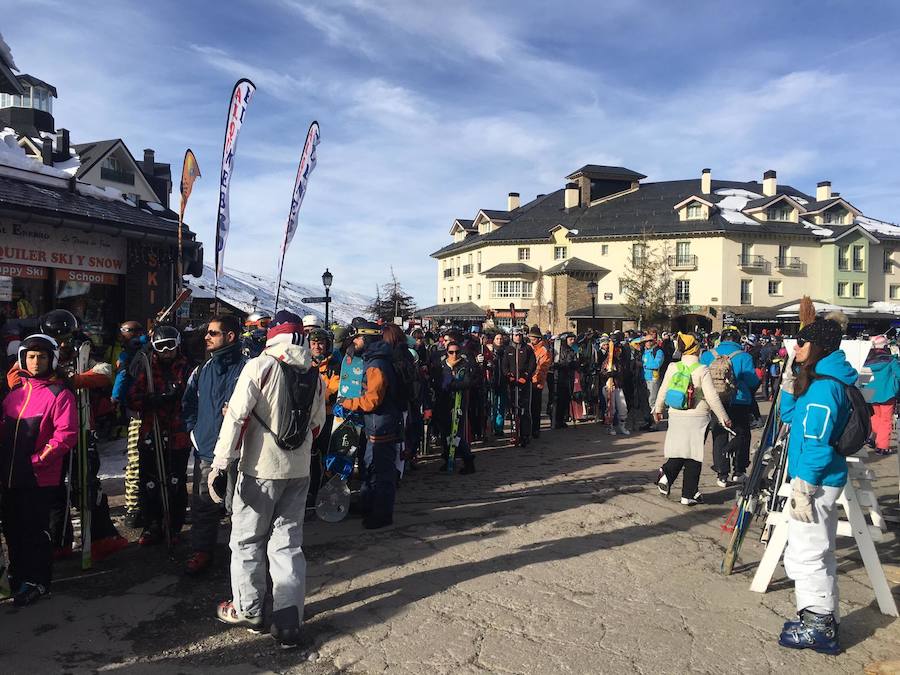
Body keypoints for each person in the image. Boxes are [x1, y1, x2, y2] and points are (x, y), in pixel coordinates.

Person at [210, 311, 326, 647]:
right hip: (298, 470)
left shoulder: (260, 366)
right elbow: (317, 424)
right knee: (287, 544)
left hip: (260, 469)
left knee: (247, 541)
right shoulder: (313, 374)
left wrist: (220, 464)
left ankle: (250, 609)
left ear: (272, 335)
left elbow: (236, 418)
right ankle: (289, 617)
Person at [777, 314, 856, 654]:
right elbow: (789, 417)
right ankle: (821, 616)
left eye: (802, 342)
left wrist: (804, 487)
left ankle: (818, 626)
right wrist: (789, 385)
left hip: (816, 482)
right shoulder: (822, 379)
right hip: (819, 478)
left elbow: (817, 440)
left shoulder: (825, 387)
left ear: (818, 347)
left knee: (806, 554)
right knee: (815, 551)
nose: (796, 348)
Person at [0, 334, 77, 606]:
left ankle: (38, 581)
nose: (35, 362)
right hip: (9, 476)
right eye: (31, 357)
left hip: (38, 477)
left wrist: (37, 461)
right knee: (13, 529)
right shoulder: (15, 395)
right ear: (22, 359)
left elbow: (66, 435)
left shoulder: (59, 394)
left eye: (42, 357)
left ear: (51, 360)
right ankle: (19, 575)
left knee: (34, 530)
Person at [181, 315, 247, 575]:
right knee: (204, 503)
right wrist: (194, 430)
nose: (206, 337)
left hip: (239, 449)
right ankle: (201, 550)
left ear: (230, 336)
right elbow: (188, 404)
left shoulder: (247, 368)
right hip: (207, 448)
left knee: (238, 504)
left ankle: (241, 553)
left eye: (213, 333)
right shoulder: (201, 370)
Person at [128, 325, 192, 546]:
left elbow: (193, 397)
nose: (166, 351)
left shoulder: (186, 368)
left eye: (170, 347)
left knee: (175, 481)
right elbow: (132, 397)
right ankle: (151, 525)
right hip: (151, 431)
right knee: (150, 482)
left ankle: (173, 526)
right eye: (161, 347)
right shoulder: (146, 367)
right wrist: (149, 400)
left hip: (177, 435)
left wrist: (178, 396)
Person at [340, 320, 405, 526]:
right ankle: (369, 502)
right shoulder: (375, 359)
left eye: (358, 338)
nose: (355, 341)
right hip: (376, 424)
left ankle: (382, 513)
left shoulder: (376, 364)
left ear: (366, 338)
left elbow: (372, 401)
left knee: (382, 469)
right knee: (370, 465)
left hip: (382, 424)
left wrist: (347, 402)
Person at [654, 333, 731, 505]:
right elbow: (712, 397)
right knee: (694, 454)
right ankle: (688, 493)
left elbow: (663, 390)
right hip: (697, 417)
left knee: (681, 450)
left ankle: (669, 475)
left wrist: (658, 409)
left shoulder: (673, 367)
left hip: (676, 414)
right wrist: (723, 417)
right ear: (695, 348)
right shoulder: (701, 369)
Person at [700, 326, 759, 486]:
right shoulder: (744, 356)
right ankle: (739, 471)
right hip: (739, 400)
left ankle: (721, 473)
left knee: (719, 435)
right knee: (742, 435)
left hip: (716, 401)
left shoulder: (707, 355)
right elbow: (752, 380)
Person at [433, 339, 478, 473]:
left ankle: (468, 460)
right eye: (451, 352)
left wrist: (451, 384)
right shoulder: (441, 366)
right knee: (446, 433)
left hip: (458, 403)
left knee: (456, 434)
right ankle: (448, 459)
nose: (454, 355)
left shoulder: (464, 365)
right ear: (447, 352)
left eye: (457, 352)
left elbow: (467, 383)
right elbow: (437, 383)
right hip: (443, 404)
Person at [863, 335, 900, 456]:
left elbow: (863, 378)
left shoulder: (867, 361)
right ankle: (882, 446)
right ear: (885, 346)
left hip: (872, 394)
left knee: (877, 416)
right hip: (887, 393)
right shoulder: (891, 361)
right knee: (886, 420)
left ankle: (871, 438)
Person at [500, 327, 536, 444]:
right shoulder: (508, 349)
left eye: (520, 335)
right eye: (516, 335)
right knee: (513, 409)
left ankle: (525, 434)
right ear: (512, 336)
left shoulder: (528, 349)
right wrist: (508, 376)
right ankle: (514, 433)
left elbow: (532, 365)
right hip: (512, 383)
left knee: (525, 409)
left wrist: (525, 377)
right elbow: (504, 366)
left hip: (524, 383)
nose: (518, 337)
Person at [528, 325, 551, 438]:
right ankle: (527, 428)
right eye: (530, 338)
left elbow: (543, 368)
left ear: (538, 339)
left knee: (536, 407)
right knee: (527, 406)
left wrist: (537, 380)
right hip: (527, 381)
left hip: (537, 381)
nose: (531, 340)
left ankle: (535, 429)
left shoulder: (544, 350)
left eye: (533, 338)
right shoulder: (528, 347)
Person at [553, 332, 578, 429]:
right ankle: (557, 419)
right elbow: (560, 362)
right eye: (570, 339)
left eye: (573, 339)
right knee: (559, 399)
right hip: (560, 377)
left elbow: (574, 362)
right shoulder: (559, 350)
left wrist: (574, 364)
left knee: (566, 399)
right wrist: (564, 365)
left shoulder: (572, 350)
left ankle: (563, 419)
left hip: (569, 377)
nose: (572, 341)